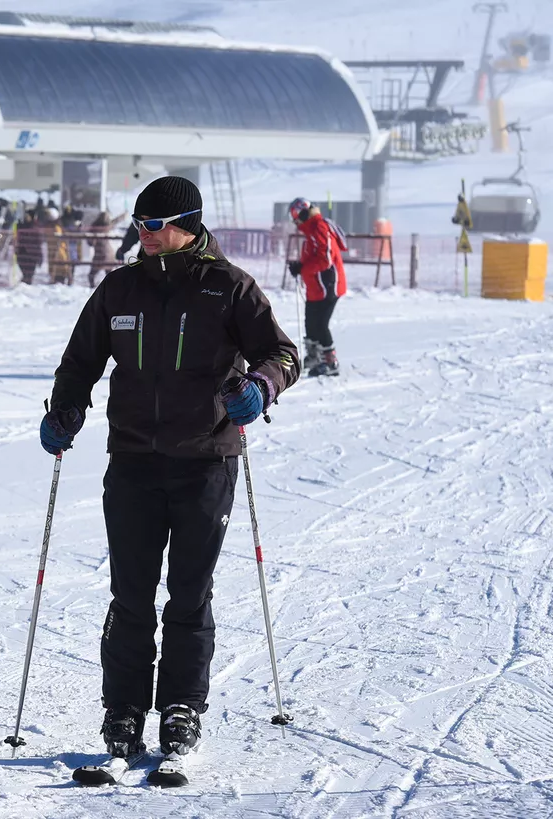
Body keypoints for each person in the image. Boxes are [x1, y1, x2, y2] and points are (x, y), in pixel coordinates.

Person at [40, 176, 299, 764]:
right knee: (130, 593)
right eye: (139, 225)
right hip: (132, 461)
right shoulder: (120, 289)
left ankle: (182, 705)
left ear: (187, 225)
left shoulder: (229, 288)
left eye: (155, 226)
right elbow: (80, 361)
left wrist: (260, 387)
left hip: (206, 461)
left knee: (189, 591)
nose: (145, 235)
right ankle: (124, 707)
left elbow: (283, 354)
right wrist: (64, 412)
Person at [287, 197, 347, 377]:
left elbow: (325, 259)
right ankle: (314, 356)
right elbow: (311, 255)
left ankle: (330, 362)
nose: (296, 223)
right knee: (310, 323)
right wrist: (299, 266)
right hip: (315, 287)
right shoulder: (311, 231)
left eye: (297, 219)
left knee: (321, 325)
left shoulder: (320, 227)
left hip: (328, 285)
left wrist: (303, 268)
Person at [44, 207, 72, 285]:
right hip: (53, 249)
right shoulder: (50, 226)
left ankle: (61, 279)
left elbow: (58, 238)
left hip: (59, 250)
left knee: (60, 265)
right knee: (55, 265)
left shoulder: (56, 227)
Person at [87, 211, 115, 287]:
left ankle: (92, 287)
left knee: (91, 274)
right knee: (109, 273)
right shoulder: (108, 226)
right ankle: (110, 287)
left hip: (100, 254)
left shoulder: (94, 228)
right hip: (110, 253)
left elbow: (91, 243)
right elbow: (116, 221)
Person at [15, 209, 43, 285]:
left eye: (28, 216)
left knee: (29, 274)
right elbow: (19, 237)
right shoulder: (22, 225)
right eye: (25, 216)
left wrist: (40, 256)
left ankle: (25, 286)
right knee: (25, 272)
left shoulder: (35, 227)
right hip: (22, 252)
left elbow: (39, 243)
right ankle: (24, 285)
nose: (26, 217)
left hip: (32, 254)